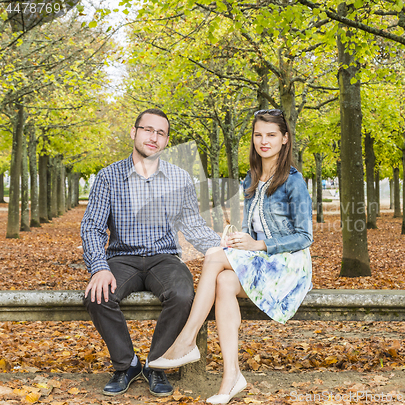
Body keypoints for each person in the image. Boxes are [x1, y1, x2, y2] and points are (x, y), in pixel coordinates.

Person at [149, 109, 313, 404]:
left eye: (272, 135)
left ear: (285, 139)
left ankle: (187, 339)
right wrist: (235, 239)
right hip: (260, 262)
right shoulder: (250, 180)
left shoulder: (293, 181)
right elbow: (249, 231)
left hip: (288, 266)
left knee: (213, 257)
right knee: (224, 280)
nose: (264, 141)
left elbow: (304, 237)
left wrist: (257, 245)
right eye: (258, 135)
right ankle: (231, 377)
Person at [80, 108, 221, 397]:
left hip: (164, 258)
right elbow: (92, 227)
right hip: (121, 258)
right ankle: (127, 364)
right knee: (98, 295)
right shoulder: (108, 177)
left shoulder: (180, 178)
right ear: (134, 132)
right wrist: (99, 267)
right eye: (147, 129)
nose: (153, 137)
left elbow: (193, 226)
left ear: (167, 141)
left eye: (161, 133)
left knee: (183, 295)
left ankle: (156, 365)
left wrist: (224, 248)